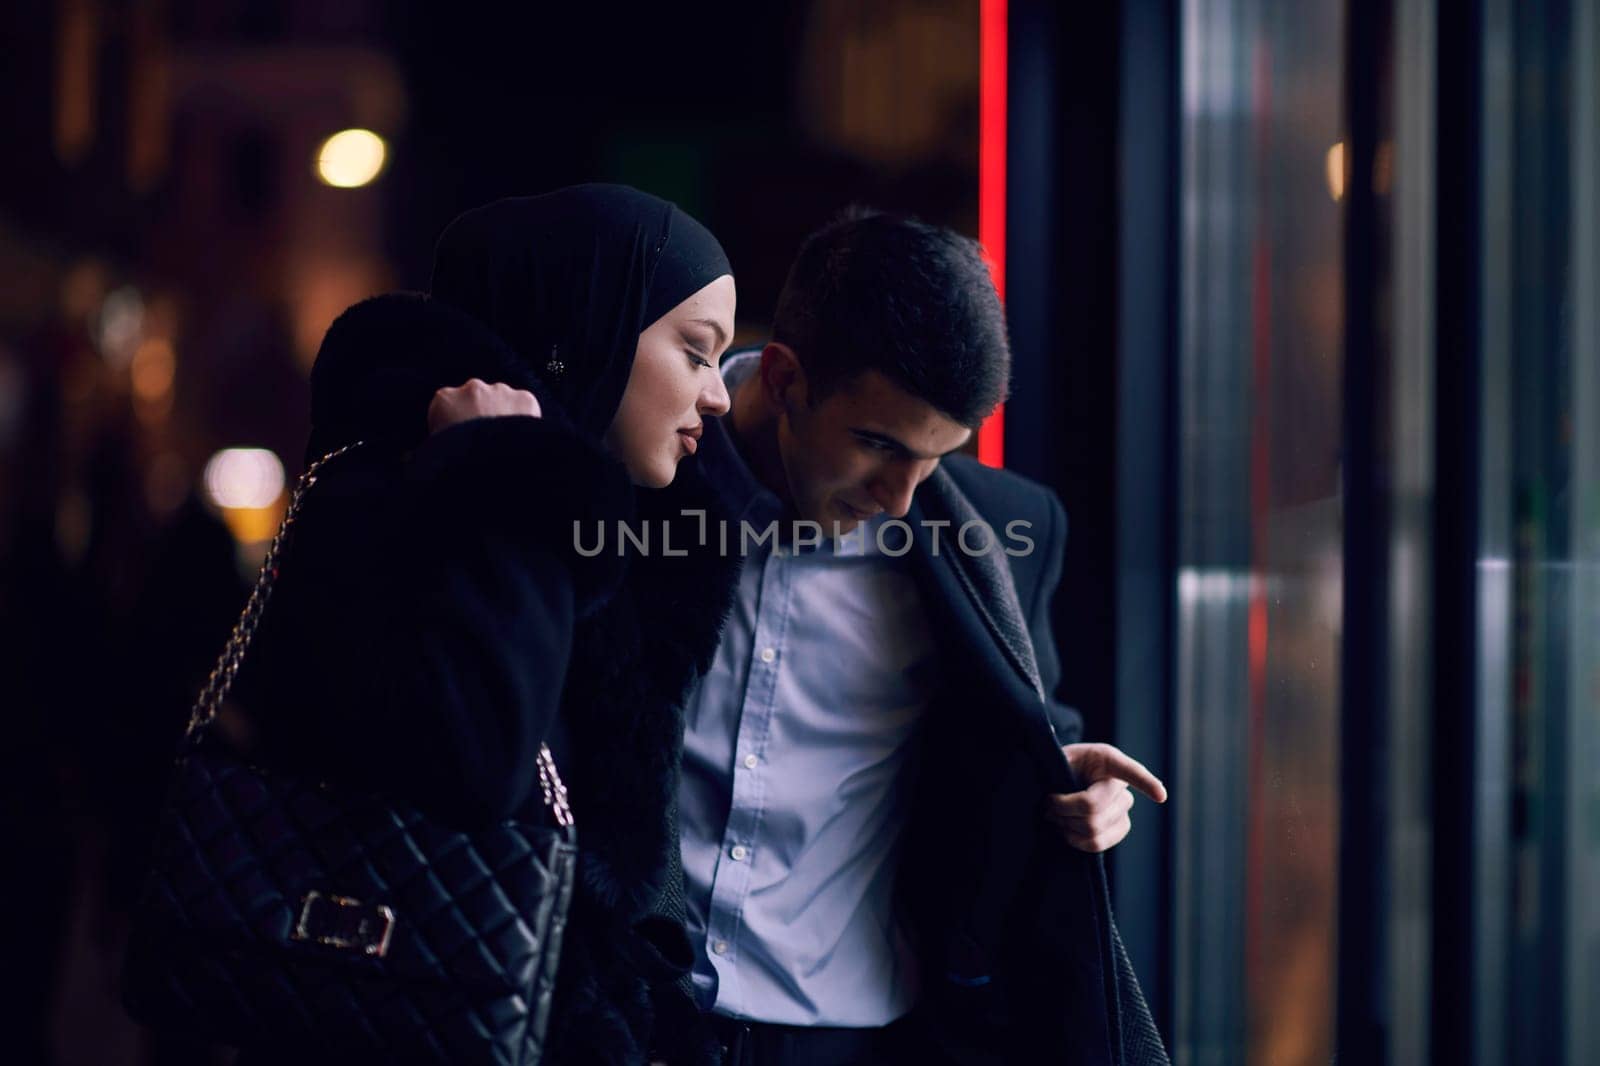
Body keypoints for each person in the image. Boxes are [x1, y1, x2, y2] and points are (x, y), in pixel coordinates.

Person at [227, 184, 742, 1064]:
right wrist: (503, 480)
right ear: (588, 328)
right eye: (696, 354)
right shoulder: (391, 489)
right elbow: (472, 761)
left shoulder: (627, 544)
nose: (719, 397)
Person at [668, 209, 1171, 1065]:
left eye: (934, 460)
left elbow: (1024, 733)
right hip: (632, 1022)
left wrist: (1066, 782)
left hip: (857, 1040)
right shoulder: (643, 480)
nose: (900, 498)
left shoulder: (1006, 531)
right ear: (785, 379)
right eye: (877, 445)